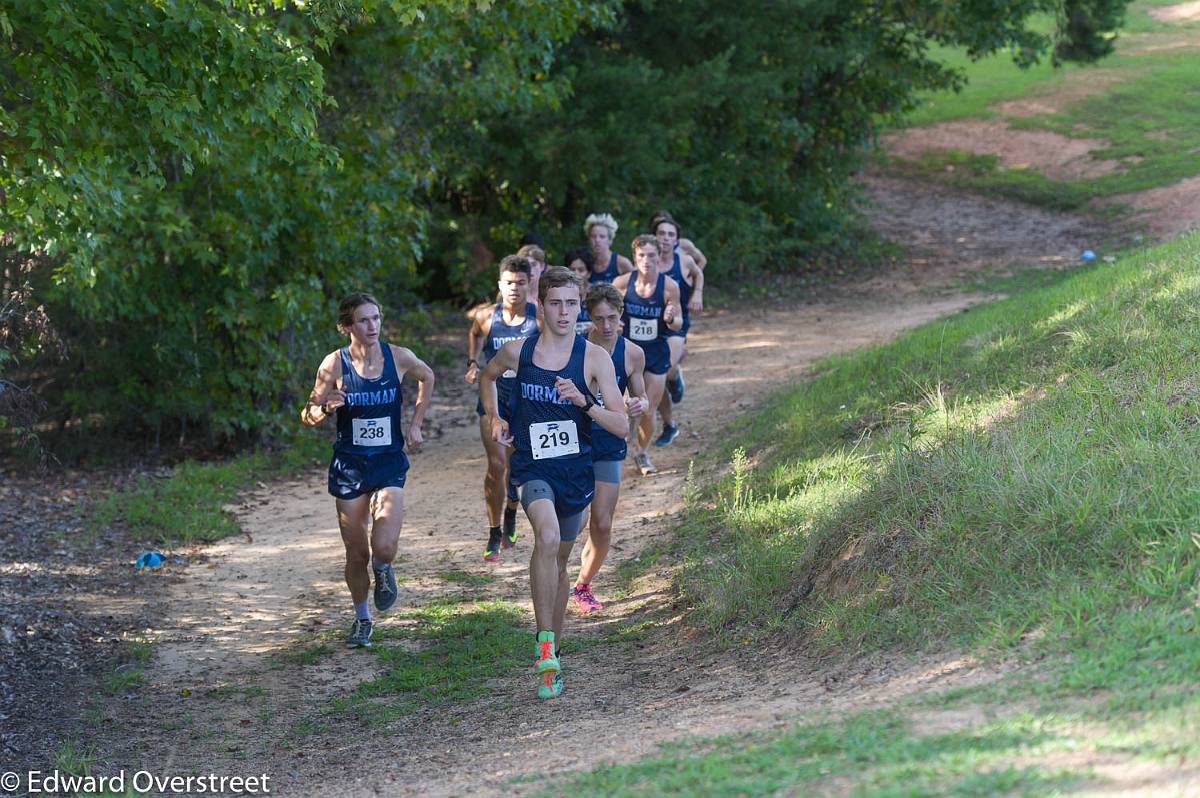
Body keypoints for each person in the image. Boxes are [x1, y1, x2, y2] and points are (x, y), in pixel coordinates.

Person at [479, 266, 627, 699]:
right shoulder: (518, 352)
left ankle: (554, 654)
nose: (564, 312)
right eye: (556, 303)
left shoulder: (593, 358)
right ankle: (544, 645)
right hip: (532, 468)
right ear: (540, 306)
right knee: (544, 539)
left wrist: (585, 402)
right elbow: (487, 377)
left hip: (575, 473)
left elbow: (620, 423)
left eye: (571, 304)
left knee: (560, 561)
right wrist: (495, 416)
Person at [301, 293, 434, 648]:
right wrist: (326, 409)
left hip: (389, 462)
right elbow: (308, 416)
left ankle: (385, 569)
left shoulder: (398, 356)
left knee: (384, 546)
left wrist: (416, 422)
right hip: (350, 466)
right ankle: (362, 619)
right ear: (346, 327)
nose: (372, 325)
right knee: (357, 551)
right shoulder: (334, 365)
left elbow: (427, 376)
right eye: (363, 320)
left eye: (376, 318)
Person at [571, 283, 649, 613]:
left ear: (622, 316)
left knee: (601, 523)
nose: (606, 326)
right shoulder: (571, 347)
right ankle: (555, 577)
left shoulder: (632, 353)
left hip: (607, 443)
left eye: (612, 318)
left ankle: (582, 585)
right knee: (571, 524)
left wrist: (638, 404)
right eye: (599, 318)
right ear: (589, 316)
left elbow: (641, 396)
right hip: (571, 441)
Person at [466, 256, 539, 561]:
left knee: (517, 467)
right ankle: (494, 531)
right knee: (497, 466)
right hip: (493, 398)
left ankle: (511, 509)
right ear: (500, 285)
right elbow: (474, 335)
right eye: (509, 283)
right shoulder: (486, 317)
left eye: (521, 283)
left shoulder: (540, 317)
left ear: (529, 284)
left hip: (526, 401)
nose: (514, 289)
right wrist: (473, 362)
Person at [612, 234, 683, 476]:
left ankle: (642, 453)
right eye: (641, 255)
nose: (646, 260)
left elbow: (678, 324)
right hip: (627, 353)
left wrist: (671, 318)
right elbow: (606, 313)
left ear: (659, 256)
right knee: (620, 405)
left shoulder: (669, 287)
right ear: (634, 257)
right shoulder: (621, 283)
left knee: (646, 409)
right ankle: (615, 449)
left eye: (651, 255)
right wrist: (615, 324)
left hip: (655, 353)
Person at [653, 215, 704, 445]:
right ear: (655, 236)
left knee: (665, 369)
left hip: (676, 324)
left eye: (670, 234)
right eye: (661, 233)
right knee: (656, 376)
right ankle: (669, 425)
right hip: (652, 325)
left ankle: (675, 377)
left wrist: (696, 293)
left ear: (677, 240)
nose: (665, 238)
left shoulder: (683, 260)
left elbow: (699, 272)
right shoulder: (646, 260)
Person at [584, 213, 633, 285]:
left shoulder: (622, 263)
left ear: (610, 240)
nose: (597, 240)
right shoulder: (585, 263)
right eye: (593, 236)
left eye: (602, 236)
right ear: (589, 239)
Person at [564, 247, 596, 335]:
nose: (576, 273)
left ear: (589, 273)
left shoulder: (597, 295)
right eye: (572, 269)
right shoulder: (559, 294)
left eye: (581, 270)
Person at [517, 244, 547, 309]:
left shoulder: (550, 293)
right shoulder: (512, 293)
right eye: (526, 265)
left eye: (534, 264)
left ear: (542, 266)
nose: (530, 269)